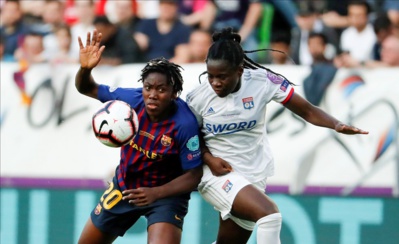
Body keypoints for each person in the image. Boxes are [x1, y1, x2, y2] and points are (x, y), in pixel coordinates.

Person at [186, 27, 368, 244]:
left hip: (253, 173)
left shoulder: (263, 81)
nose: (215, 82)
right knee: (269, 215)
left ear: (240, 71)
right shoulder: (198, 98)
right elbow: (189, 139)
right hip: (215, 173)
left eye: (222, 76)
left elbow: (308, 110)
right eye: (211, 76)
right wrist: (209, 159)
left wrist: (336, 124)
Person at [75, 30, 203, 243]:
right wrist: (85, 69)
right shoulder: (128, 100)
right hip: (125, 187)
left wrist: (156, 193)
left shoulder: (184, 124)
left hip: (165, 196)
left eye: (161, 89)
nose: (153, 94)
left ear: (174, 93)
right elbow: (86, 87)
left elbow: (194, 175)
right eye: (148, 87)